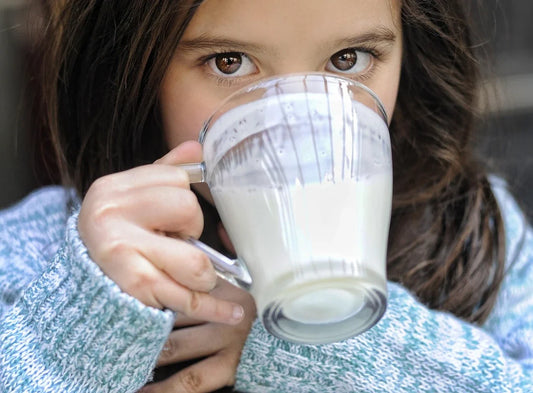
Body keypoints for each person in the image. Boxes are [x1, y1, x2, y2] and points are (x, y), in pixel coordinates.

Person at [0, 0, 532, 392]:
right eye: (229, 62)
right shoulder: (39, 259)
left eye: (348, 59)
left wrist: (328, 346)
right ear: (139, 71)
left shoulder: (478, 236)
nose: (296, 132)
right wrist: (77, 329)